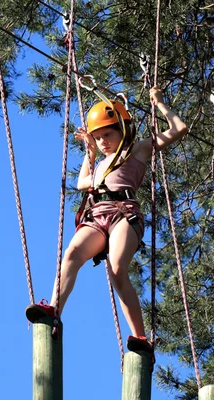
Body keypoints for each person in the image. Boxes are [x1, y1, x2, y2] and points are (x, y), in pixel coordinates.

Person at [26, 86, 188, 355]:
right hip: (97, 215)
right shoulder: (101, 163)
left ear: (123, 129)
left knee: (116, 270)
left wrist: (159, 104)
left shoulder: (137, 151)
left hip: (124, 213)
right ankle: (53, 310)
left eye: (107, 135)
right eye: (97, 137)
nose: (102, 142)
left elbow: (179, 128)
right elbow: (82, 183)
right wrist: (89, 153)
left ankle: (140, 337)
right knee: (72, 253)